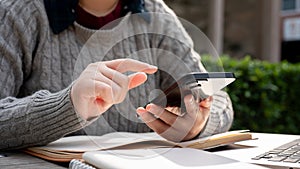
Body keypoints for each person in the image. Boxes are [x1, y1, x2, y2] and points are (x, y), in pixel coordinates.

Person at [0, 0, 234, 150]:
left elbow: (219, 102)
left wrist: (198, 124)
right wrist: (68, 105)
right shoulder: (18, 13)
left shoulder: (155, 14)